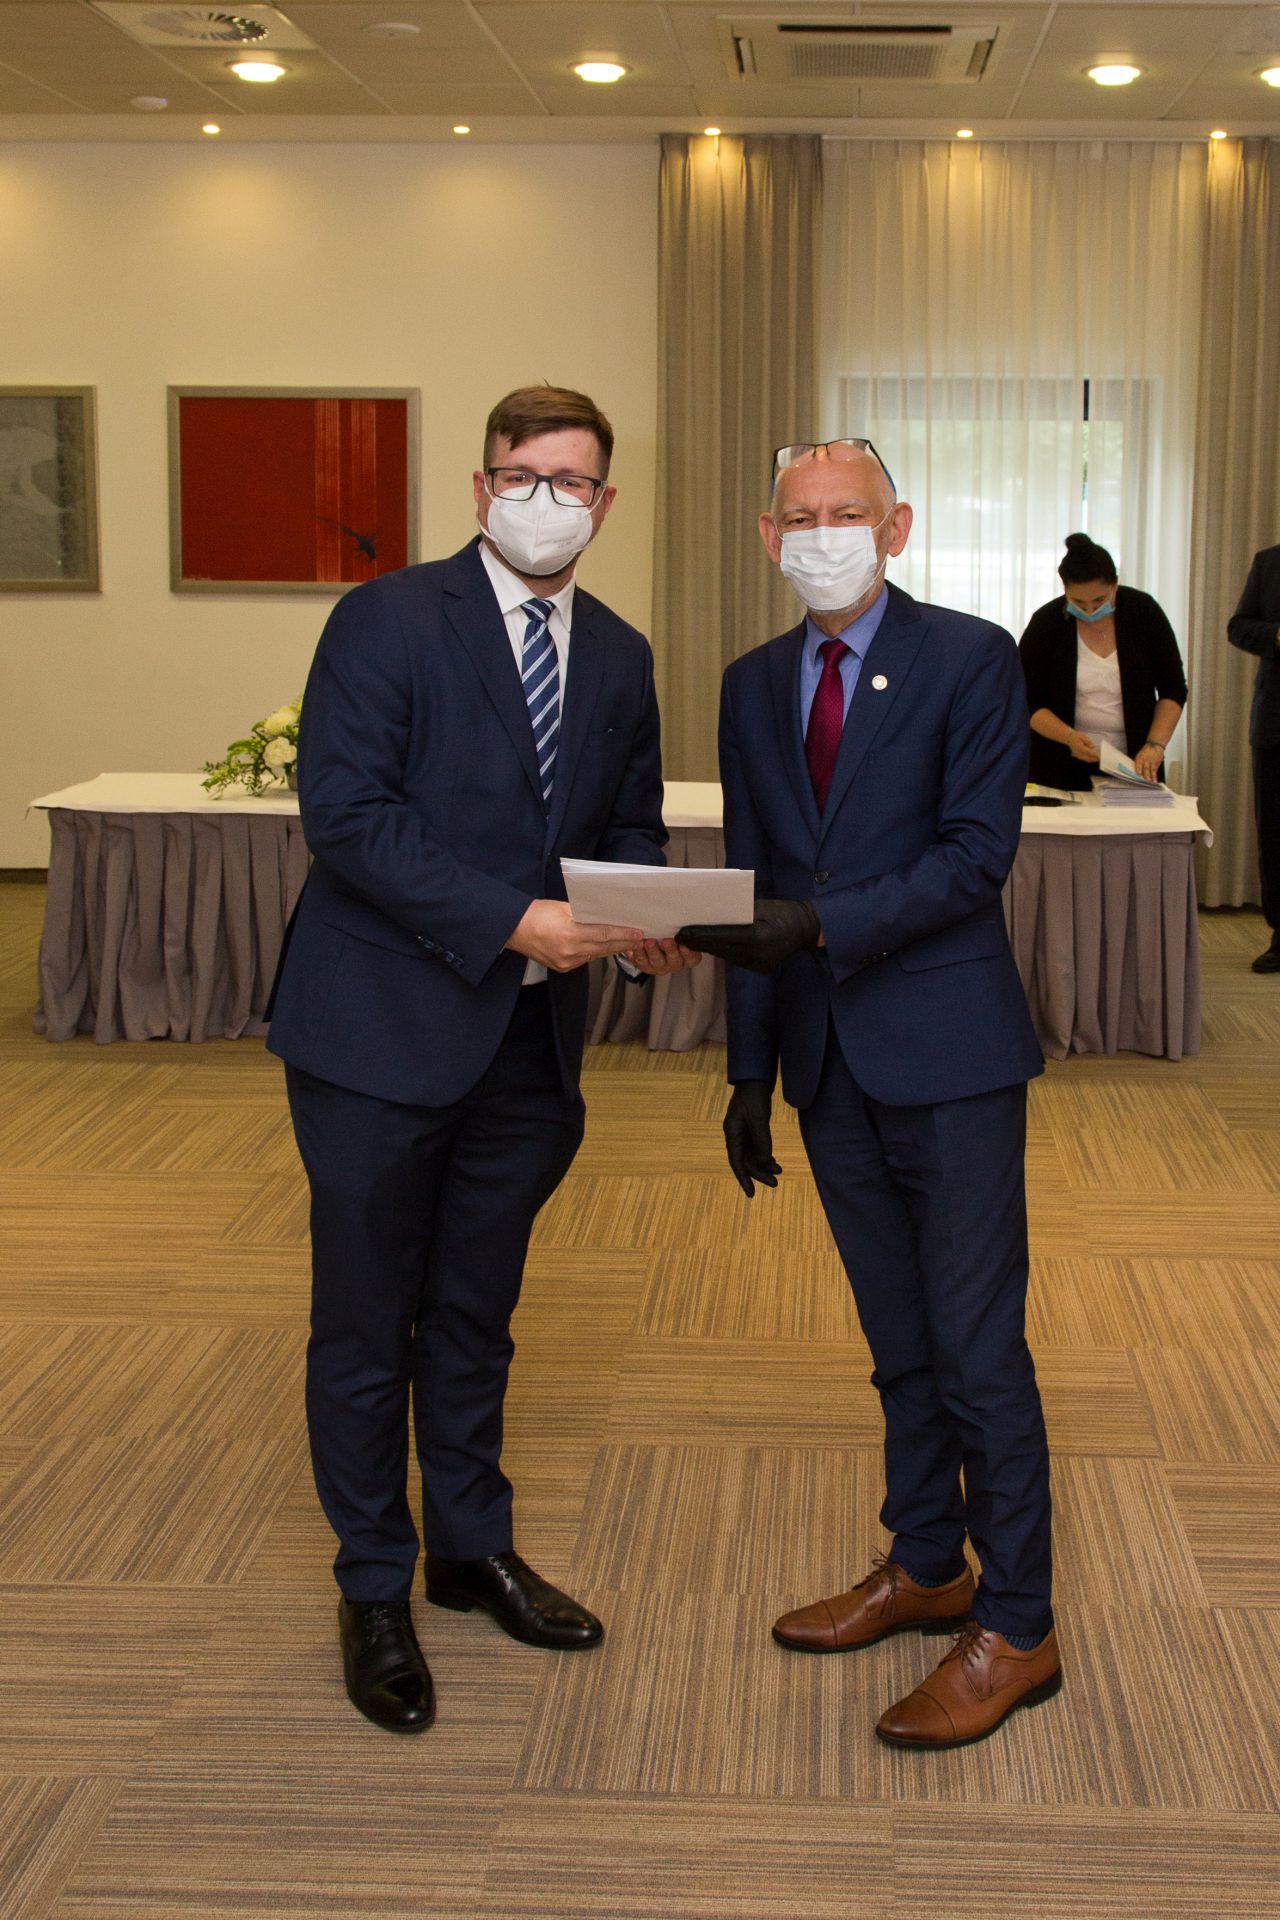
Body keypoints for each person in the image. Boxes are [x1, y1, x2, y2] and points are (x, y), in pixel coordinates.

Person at [267, 384, 696, 1734]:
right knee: (366, 1322)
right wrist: (517, 919)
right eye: (522, 476)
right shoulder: (387, 620)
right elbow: (347, 814)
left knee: (473, 1311)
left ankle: (466, 1546)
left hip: (526, 1044)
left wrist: (646, 918)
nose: (544, 502)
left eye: (572, 483)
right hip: (377, 1034)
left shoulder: (618, 653)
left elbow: (626, 825)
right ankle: (372, 1586)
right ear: (480, 487)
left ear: (605, 504)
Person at [678, 438, 1059, 1750]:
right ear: (767, 534)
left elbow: (975, 855)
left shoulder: (970, 657)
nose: (824, 533)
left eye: (849, 512)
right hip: (823, 1060)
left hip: (948, 1056)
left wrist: (820, 926)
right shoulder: (749, 682)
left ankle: (1018, 1624)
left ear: (896, 528)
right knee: (897, 1338)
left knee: (976, 1349)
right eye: (801, 516)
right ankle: (927, 1562)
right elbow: (749, 886)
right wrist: (746, 1068)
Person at [1017, 532, 1186, 791]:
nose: (1090, 611)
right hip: (1058, 761)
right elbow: (1027, 700)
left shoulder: (1143, 612)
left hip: (1135, 761)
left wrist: (1155, 745)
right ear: (1065, 589)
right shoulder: (1047, 622)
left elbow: (1173, 688)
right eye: (1079, 602)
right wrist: (1069, 737)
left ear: (1114, 585)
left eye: (1099, 601)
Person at [1228, 544, 1280, 973]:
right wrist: (1276, 635)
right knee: (1275, 839)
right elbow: (1239, 627)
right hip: (1275, 727)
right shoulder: (1269, 562)